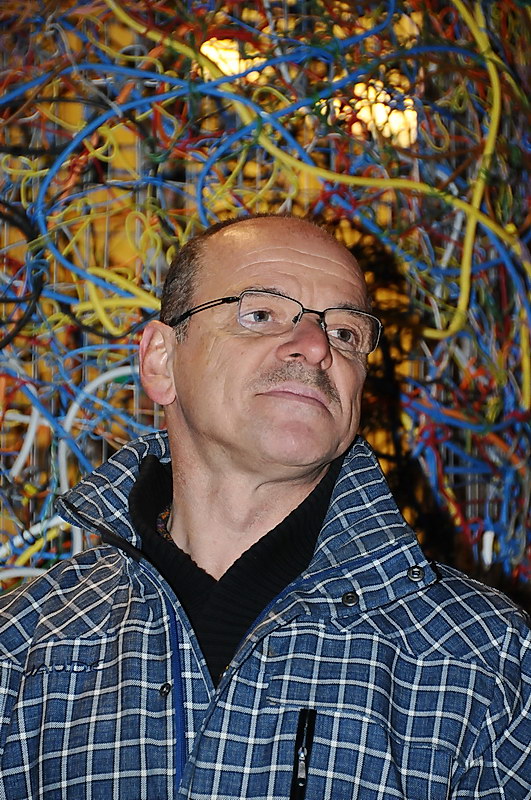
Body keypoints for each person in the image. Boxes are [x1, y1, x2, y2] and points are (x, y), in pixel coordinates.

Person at [0, 214, 529, 800]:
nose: (316, 346)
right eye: (259, 314)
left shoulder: (484, 655)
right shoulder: (25, 644)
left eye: (346, 332)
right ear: (160, 361)